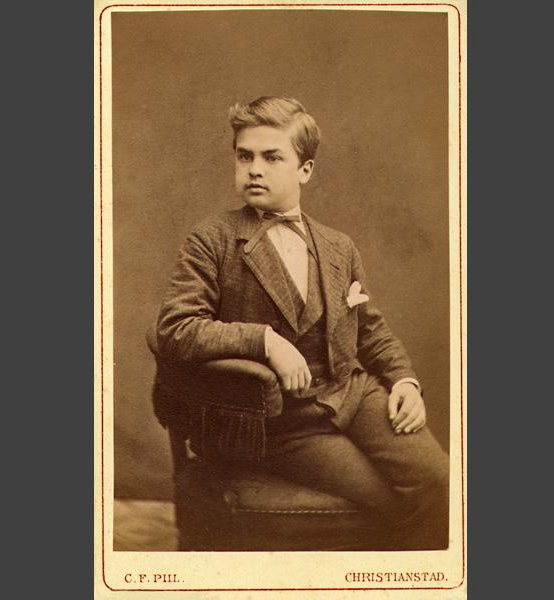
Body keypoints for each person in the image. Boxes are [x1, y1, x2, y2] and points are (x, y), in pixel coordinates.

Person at [156, 96, 448, 549]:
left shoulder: (338, 246)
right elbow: (177, 328)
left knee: (438, 481)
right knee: (387, 499)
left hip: (355, 393)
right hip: (283, 421)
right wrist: (264, 341)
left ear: (304, 170)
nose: (255, 169)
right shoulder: (212, 239)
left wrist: (404, 381)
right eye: (245, 156)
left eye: (272, 157)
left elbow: (369, 328)